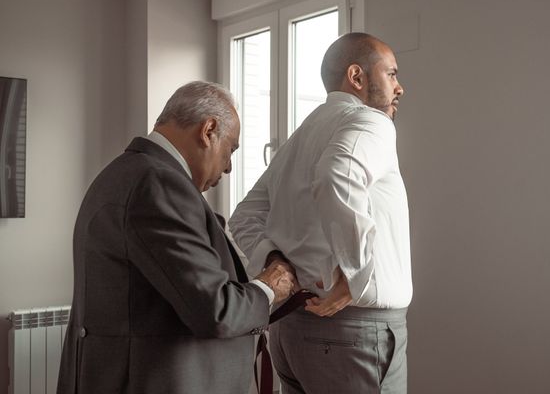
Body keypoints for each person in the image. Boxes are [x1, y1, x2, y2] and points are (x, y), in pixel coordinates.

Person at [57, 81, 296, 394]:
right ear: (208, 130)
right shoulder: (158, 183)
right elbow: (215, 310)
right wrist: (267, 288)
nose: (229, 167)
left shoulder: (128, 172)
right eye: (230, 149)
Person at [229, 32, 412, 393]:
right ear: (357, 77)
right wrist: (354, 277)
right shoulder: (371, 122)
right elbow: (338, 176)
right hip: (354, 334)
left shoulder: (300, 137)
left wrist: (277, 265)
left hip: (291, 332)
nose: (400, 87)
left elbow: (244, 216)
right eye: (391, 74)